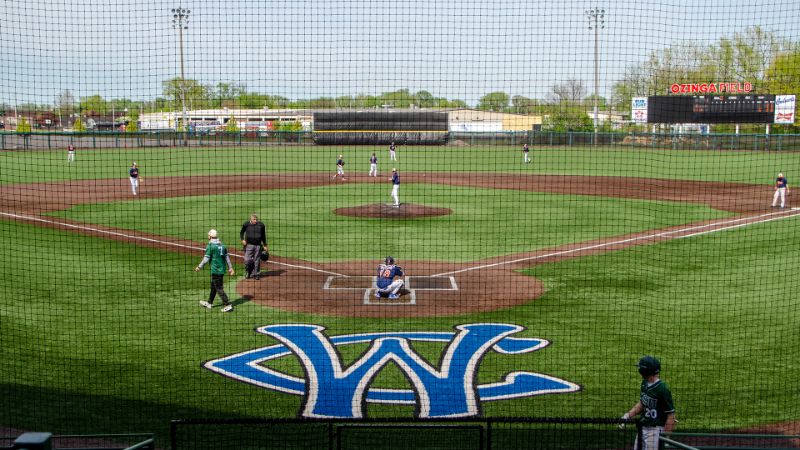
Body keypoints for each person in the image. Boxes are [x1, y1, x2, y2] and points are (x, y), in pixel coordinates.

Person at [620, 356, 676, 450]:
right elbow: (642, 403)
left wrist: (665, 439)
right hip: (642, 428)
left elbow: (671, 416)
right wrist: (627, 415)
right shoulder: (644, 384)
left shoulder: (662, 389)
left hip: (655, 431)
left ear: (645, 371)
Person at [195, 229, 235, 312]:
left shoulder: (210, 246)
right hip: (222, 270)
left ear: (210, 236)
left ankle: (227, 304)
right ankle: (209, 303)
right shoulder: (222, 245)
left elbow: (206, 259)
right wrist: (230, 268)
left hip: (216, 270)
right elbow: (227, 258)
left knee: (219, 288)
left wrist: (199, 267)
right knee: (213, 286)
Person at [240, 213, 267, 279]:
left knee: (257, 260)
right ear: (251, 219)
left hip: (258, 245)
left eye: (256, 219)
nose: (255, 221)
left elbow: (263, 235)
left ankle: (256, 274)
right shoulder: (246, 224)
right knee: (247, 260)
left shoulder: (261, 225)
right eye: (254, 219)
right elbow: (241, 232)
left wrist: (265, 244)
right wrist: (242, 239)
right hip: (249, 245)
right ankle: (248, 272)